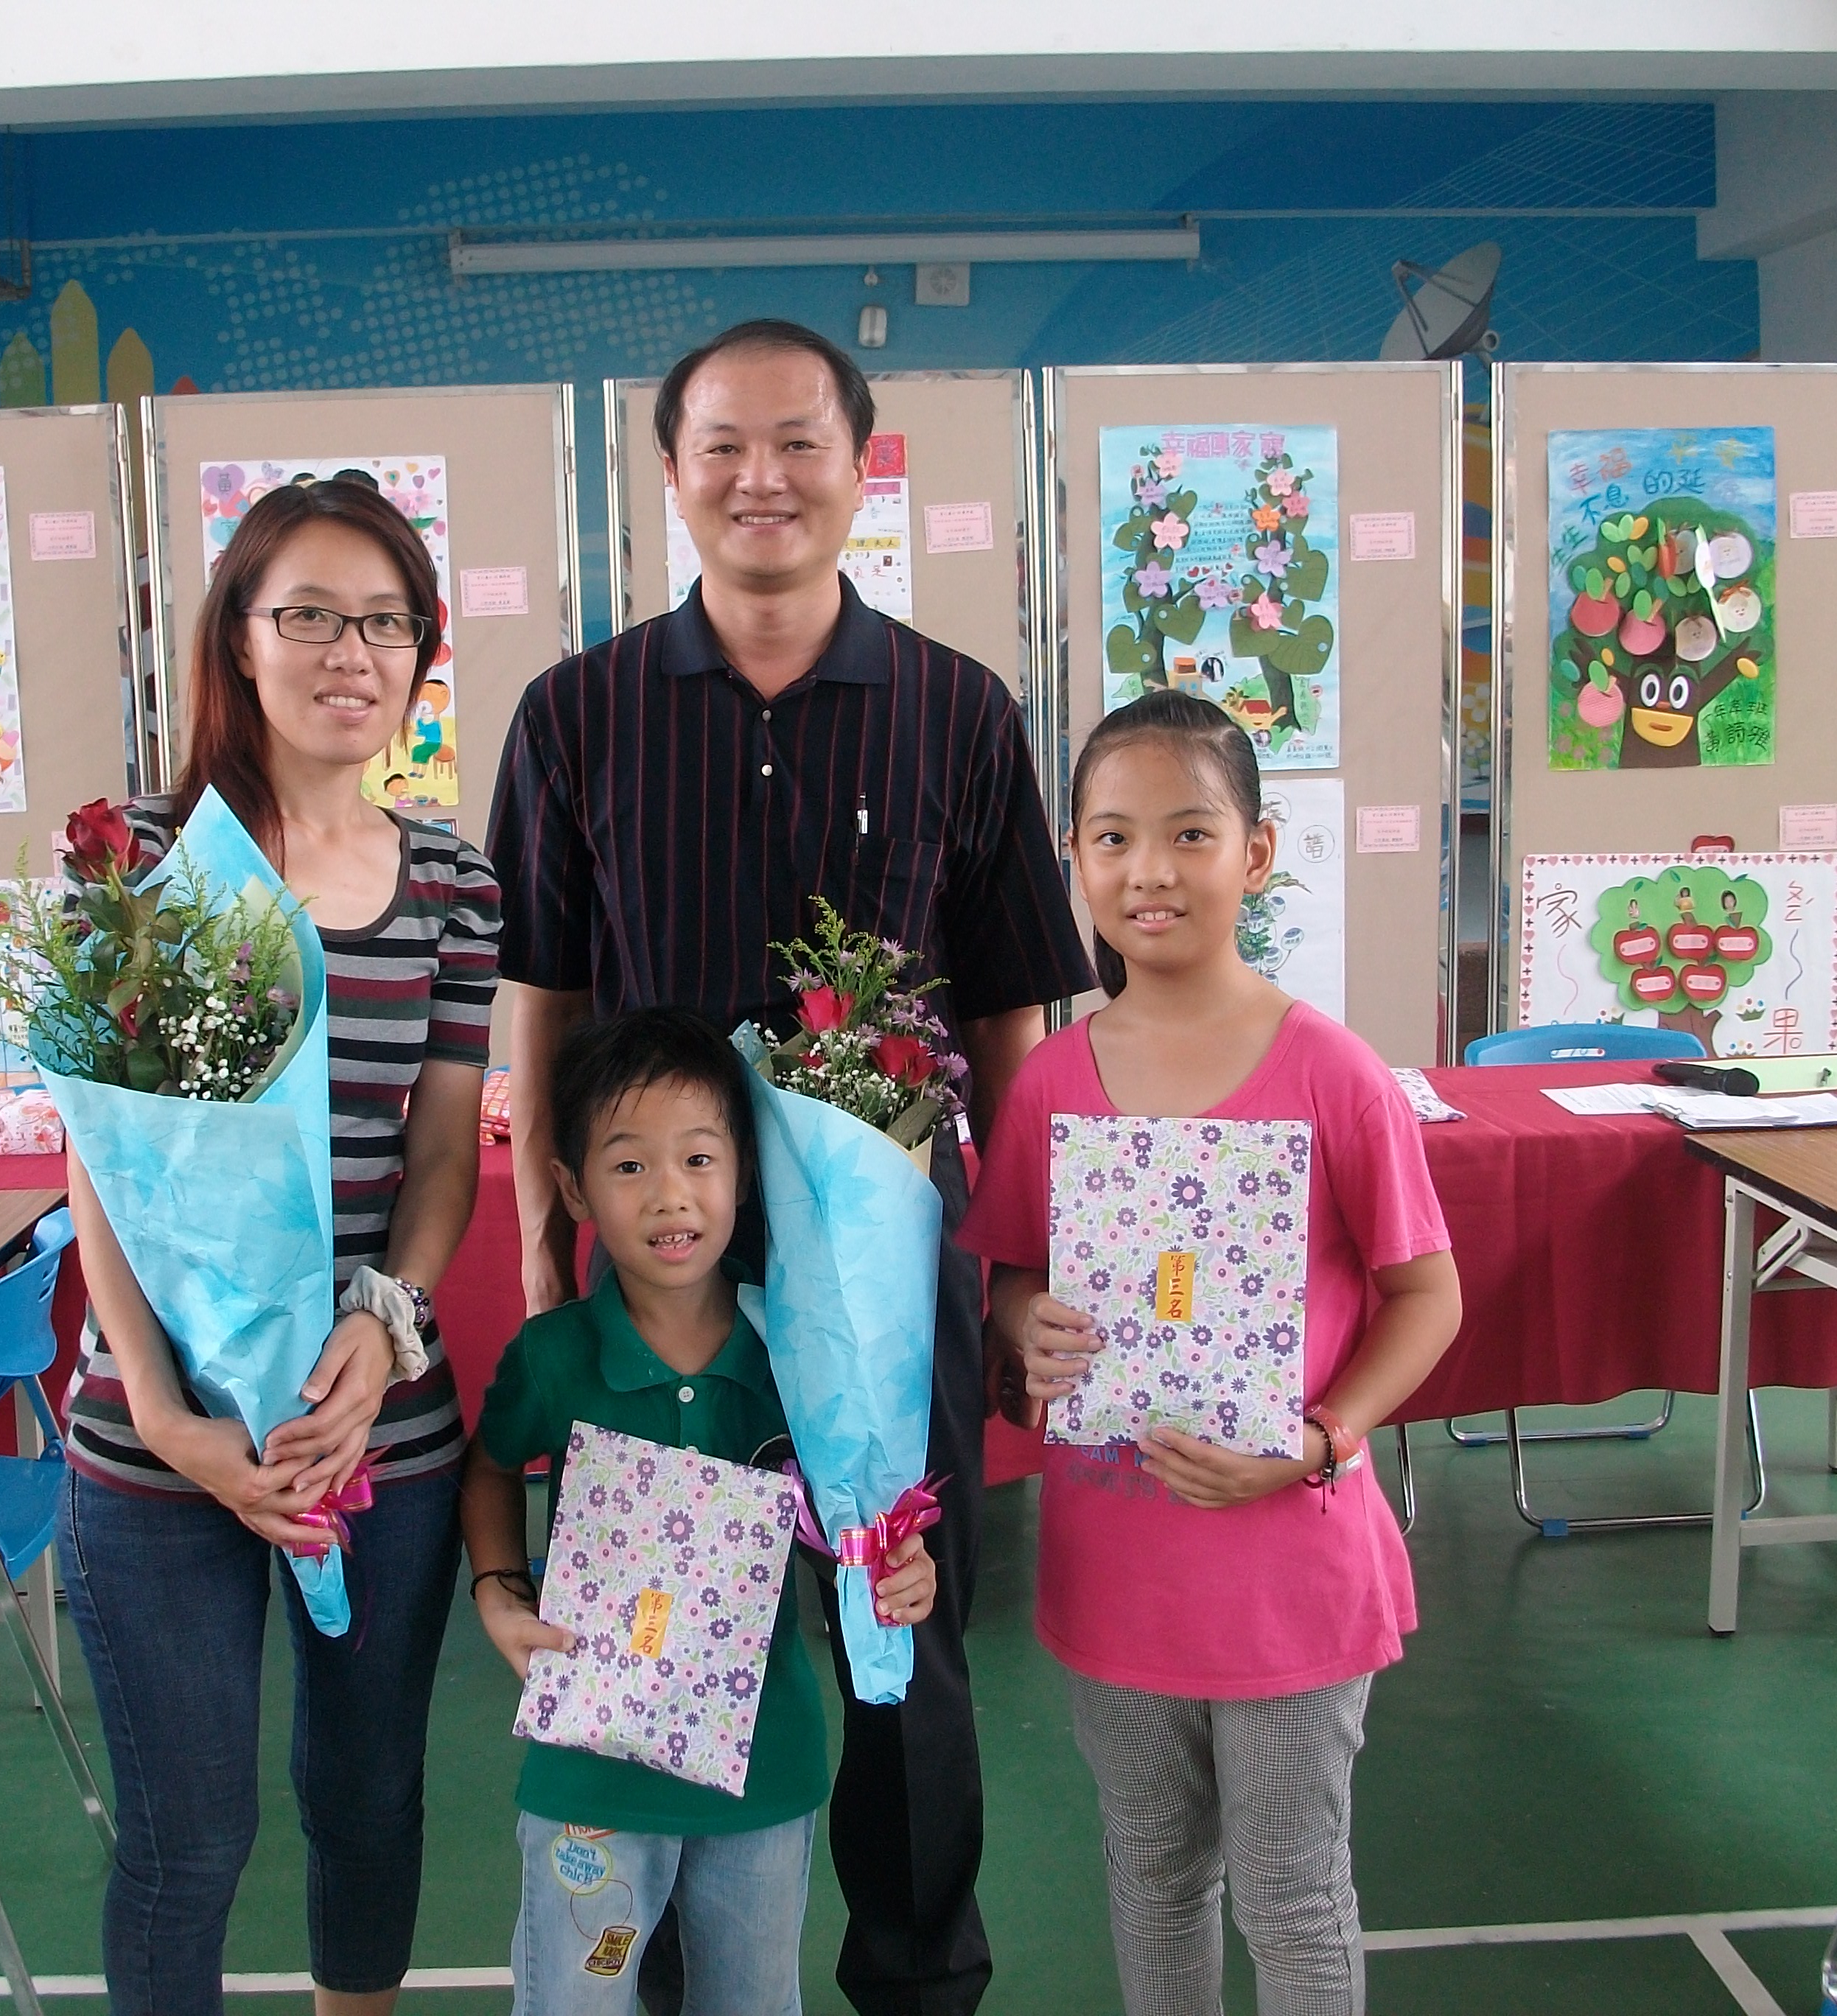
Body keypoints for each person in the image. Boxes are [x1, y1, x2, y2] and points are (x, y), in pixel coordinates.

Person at [488, 318, 1091, 2016]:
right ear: (672, 476)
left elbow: (1011, 1012)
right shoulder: (578, 715)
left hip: (896, 1275)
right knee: (665, 1637)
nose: (764, 477)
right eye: (725, 447)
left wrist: (1011, 1260)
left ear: (859, 464)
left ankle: (919, 1981)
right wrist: (540, 1243)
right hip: (657, 1272)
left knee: (904, 1632)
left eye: (801, 442)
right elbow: (542, 995)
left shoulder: (960, 712)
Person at [55, 479, 501, 2015]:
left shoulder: (454, 885)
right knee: (187, 1841)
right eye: (307, 613)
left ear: (419, 655)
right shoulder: (143, 860)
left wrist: (385, 1326)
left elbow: (439, 1153)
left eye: (385, 622)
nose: (348, 652)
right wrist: (164, 1411)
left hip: (378, 1429)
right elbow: (101, 1163)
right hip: (158, 1447)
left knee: (368, 1802)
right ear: (238, 640)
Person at [958, 692, 1463, 2016]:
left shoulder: (1332, 1072)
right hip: (1119, 1571)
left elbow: (1428, 1297)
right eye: (1113, 837)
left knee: (1293, 1899)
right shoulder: (1052, 1082)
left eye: (1190, 833)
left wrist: (1320, 1440)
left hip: (1290, 1575)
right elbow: (1012, 1280)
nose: (1151, 871)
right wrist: (1024, 1323)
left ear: (1257, 852)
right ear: (1074, 858)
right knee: (1152, 1875)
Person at [461, 1009, 938, 2015]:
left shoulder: (798, 1356)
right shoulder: (553, 1358)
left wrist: (898, 1568)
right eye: (629, 1165)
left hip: (763, 1772)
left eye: (699, 1158)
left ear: (745, 1174)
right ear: (573, 1188)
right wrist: (499, 1589)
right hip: (588, 1777)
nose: (670, 1194)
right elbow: (492, 1466)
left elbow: (854, 1520)